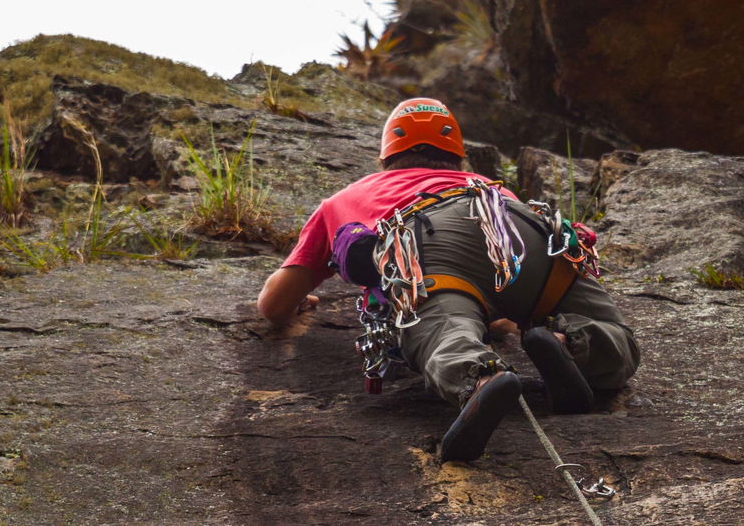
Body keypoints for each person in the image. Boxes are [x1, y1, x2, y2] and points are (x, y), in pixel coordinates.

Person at [258, 98, 640, 462]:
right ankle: (568, 343)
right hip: (514, 221)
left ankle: (479, 377)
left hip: (429, 234)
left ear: (385, 156)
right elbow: (499, 297)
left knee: (443, 321)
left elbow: (273, 305)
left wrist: (299, 304)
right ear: (458, 155)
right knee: (606, 326)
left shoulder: (348, 196)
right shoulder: (487, 182)